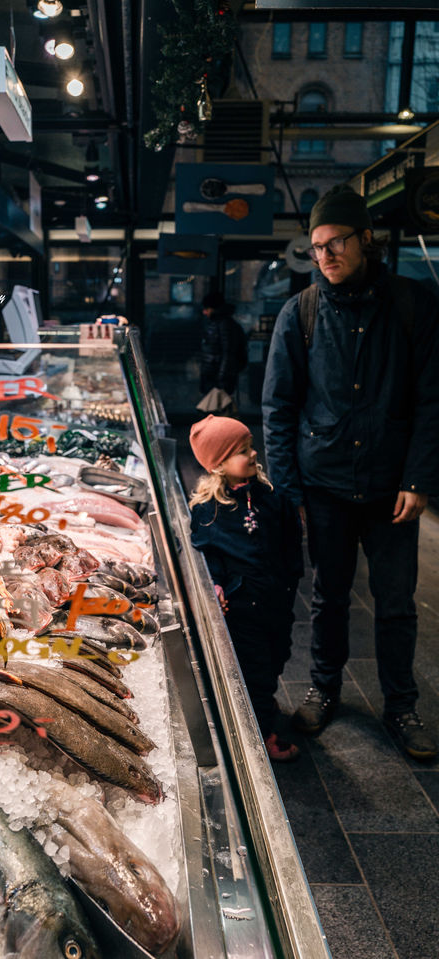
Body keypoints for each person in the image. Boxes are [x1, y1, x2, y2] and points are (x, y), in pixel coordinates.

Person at [262, 183, 439, 760]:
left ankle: (402, 706)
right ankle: (323, 688)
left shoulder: (414, 305)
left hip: (392, 489)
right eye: (316, 247)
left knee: (395, 603)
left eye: (336, 241)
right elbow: (278, 408)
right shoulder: (301, 313)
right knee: (328, 597)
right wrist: (290, 494)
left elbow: (433, 402)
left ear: (366, 239)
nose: (326, 254)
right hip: (325, 486)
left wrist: (418, 480)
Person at [189, 414, 303, 762]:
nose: (253, 455)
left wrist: (289, 580)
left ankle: (264, 701)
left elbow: (290, 541)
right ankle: (262, 735)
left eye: (251, 446)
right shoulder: (209, 511)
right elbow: (208, 556)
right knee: (255, 669)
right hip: (242, 608)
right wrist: (219, 586)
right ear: (219, 464)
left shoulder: (271, 497)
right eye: (241, 451)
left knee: (278, 655)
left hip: (276, 600)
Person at [199, 291, 248, 398]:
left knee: (217, 409)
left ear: (213, 308)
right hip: (213, 377)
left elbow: (228, 353)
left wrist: (222, 380)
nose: (204, 312)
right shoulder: (217, 323)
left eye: (206, 309)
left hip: (217, 379)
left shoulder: (224, 325)